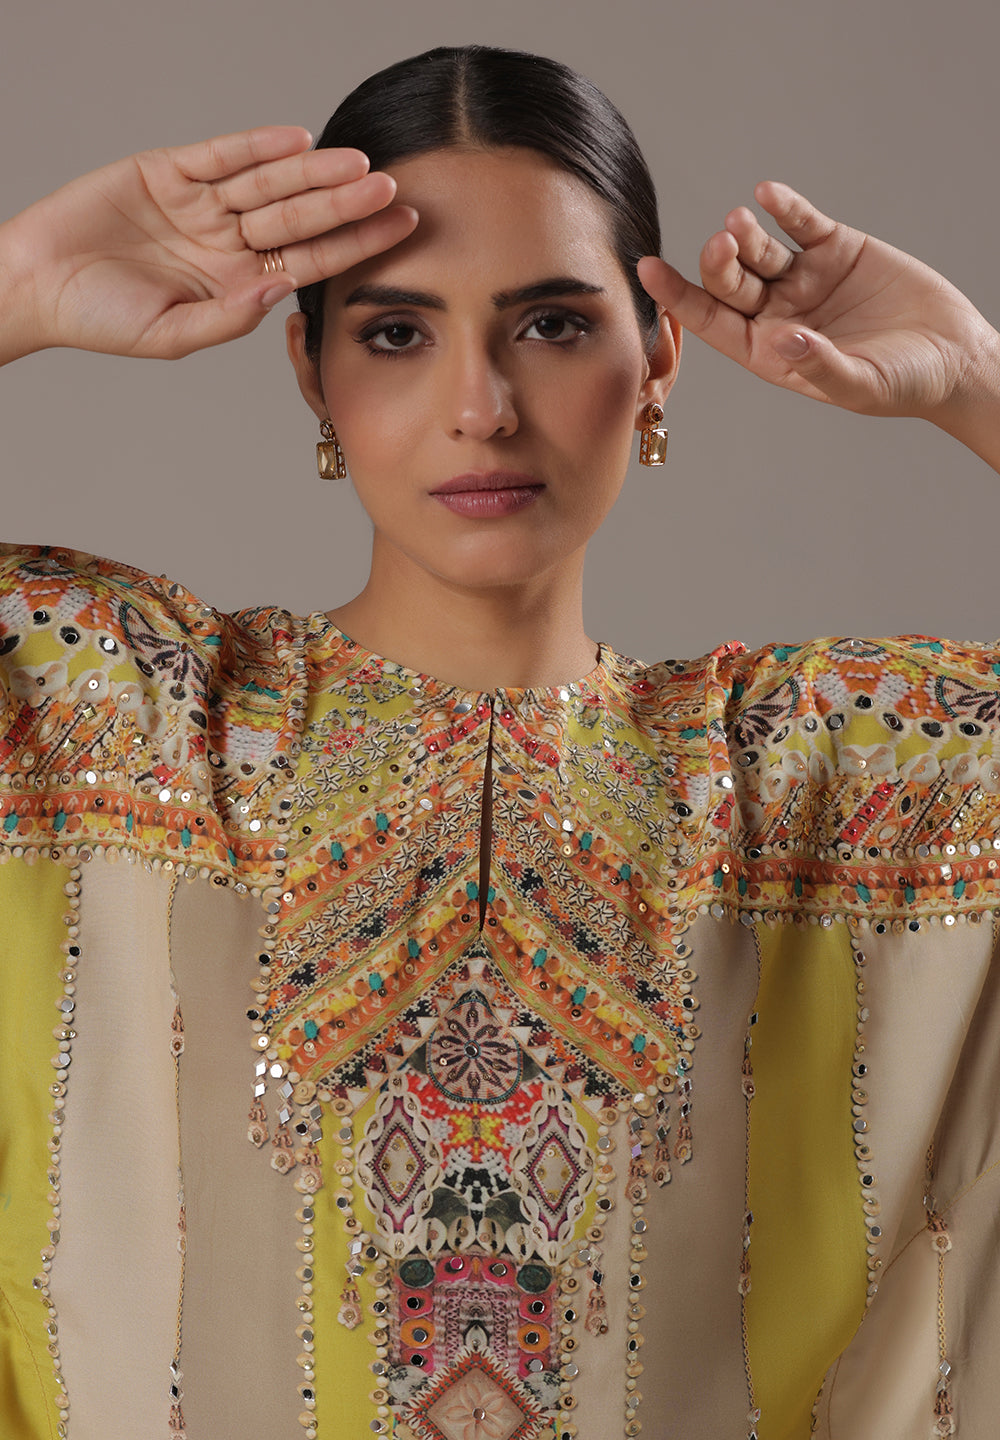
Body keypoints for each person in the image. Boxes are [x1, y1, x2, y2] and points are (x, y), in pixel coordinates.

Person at [1, 43, 999, 1440]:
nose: (481, 403)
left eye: (551, 325)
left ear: (657, 360)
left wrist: (976, 379)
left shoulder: (811, 778)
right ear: (311, 372)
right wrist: (19, 280)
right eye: (396, 334)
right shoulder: (119, 716)